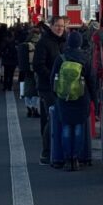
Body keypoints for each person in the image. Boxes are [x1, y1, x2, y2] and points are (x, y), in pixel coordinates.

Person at [51, 31, 98, 171]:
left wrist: (57, 95)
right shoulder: (85, 58)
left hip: (64, 99)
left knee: (66, 128)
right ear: (80, 43)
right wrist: (93, 100)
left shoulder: (61, 58)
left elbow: (53, 79)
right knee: (78, 128)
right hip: (81, 98)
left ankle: (67, 159)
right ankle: (76, 159)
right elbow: (92, 81)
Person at [33, 16, 67, 165]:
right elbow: (38, 66)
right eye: (57, 26)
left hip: (61, 87)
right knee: (52, 117)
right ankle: (46, 153)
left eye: (62, 26)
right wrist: (54, 77)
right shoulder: (43, 43)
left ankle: (55, 151)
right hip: (47, 87)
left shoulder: (65, 42)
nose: (60, 28)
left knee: (51, 117)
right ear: (51, 26)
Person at [18, 27, 42, 117]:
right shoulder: (38, 42)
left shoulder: (25, 43)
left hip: (26, 69)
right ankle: (34, 108)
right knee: (35, 90)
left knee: (27, 90)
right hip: (35, 69)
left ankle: (28, 107)